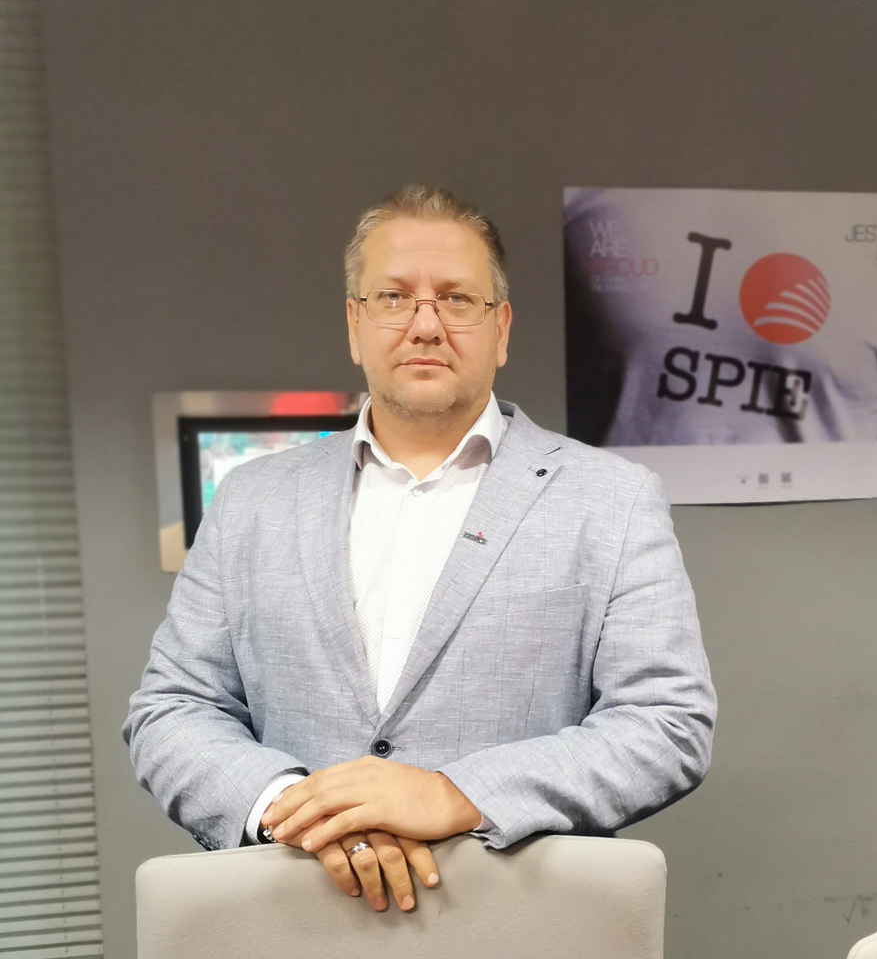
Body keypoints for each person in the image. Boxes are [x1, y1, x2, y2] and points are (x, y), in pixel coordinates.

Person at [123, 184, 716, 916]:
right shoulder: (251, 500)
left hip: (516, 924)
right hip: (298, 918)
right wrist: (294, 808)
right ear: (354, 324)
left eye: (457, 299)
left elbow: (665, 724)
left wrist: (456, 793)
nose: (425, 325)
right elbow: (174, 707)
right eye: (393, 297)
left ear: (501, 328)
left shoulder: (612, 500)